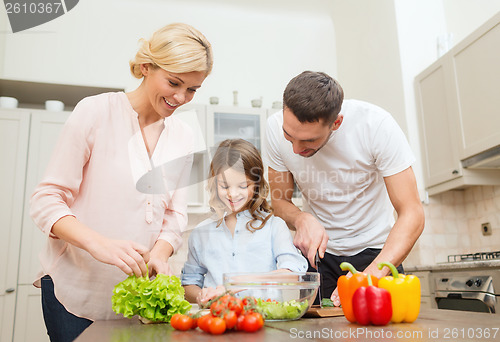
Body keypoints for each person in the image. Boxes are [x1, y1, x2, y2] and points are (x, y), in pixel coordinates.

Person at [30, 23, 213, 341]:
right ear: (146, 67)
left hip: (136, 299)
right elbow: (46, 200)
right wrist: (97, 243)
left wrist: (160, 252)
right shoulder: (95, 112)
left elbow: (174, 216)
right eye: (174, 82)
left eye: (193, 89)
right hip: (74, 291)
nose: (181, 97)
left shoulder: (184, 136)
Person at [264, 71, 425, 306]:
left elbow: (412, 213)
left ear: (336, 123)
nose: (296, 150)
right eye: (289, 137)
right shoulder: (274, 127)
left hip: (378, 253)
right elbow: (279, 202)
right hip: (318, 256)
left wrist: (373, 274)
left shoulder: (376, 126)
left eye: (309, 141)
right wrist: (301, 219)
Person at [181, 139, 308, 304]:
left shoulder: (274, 226)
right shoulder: (200, 233)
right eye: (224, 186)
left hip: (263, 321)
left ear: (256, 184)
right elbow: (189, 283)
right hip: (218, 320)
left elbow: (293, 273)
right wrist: (201, 296)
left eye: (243, 186)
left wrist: (238, 283)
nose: (233, 195)